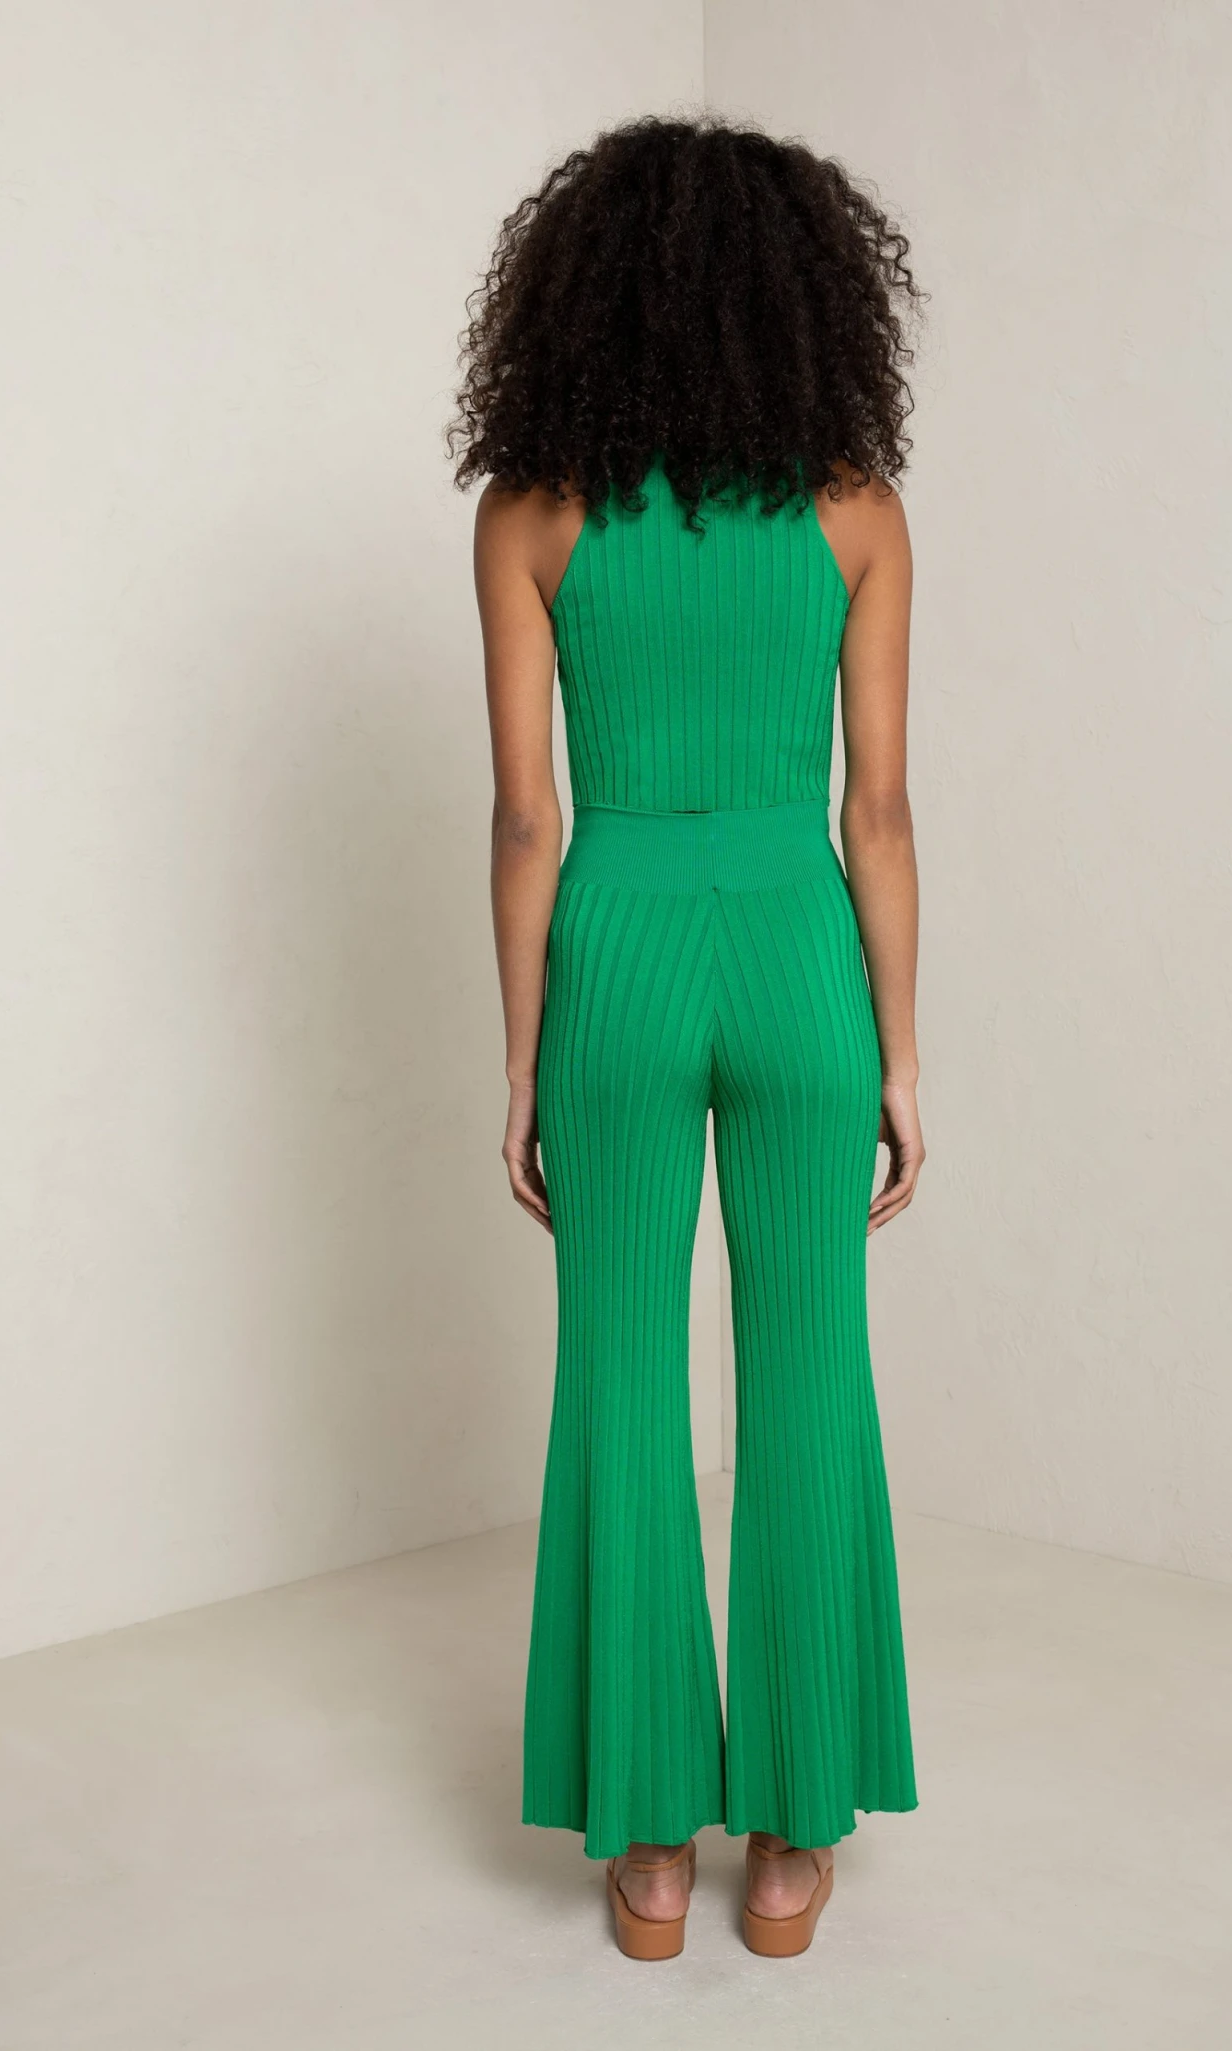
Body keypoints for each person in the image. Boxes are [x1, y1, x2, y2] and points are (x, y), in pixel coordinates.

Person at [450, 111, 924, 1961]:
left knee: (622, 1378)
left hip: (619, 960)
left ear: (576, 298)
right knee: (810, 1374)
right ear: (809, 299)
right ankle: (792, 1843)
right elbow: (879, 808)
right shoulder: (855, 508)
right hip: (802, 954)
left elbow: (524, 817)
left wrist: (523, 1059)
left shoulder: (533, 513)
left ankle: (649, 1848)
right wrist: (898, 1054)